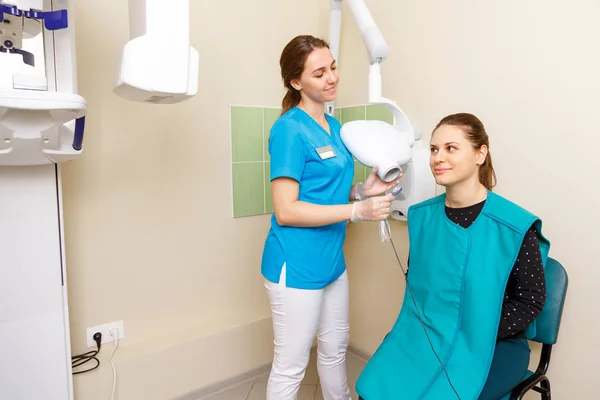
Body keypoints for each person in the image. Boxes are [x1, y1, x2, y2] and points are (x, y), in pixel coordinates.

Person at [356, 113, 550, 400]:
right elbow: (421, 286)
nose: (438, 158)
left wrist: (473, 327)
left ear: (480, 154)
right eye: (434, 149)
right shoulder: (421, 217)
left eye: (451, 148)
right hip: (430, 334)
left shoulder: (513, 226)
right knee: (373, 389)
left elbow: (530, 300)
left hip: (495, 343)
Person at [260, 34, 401, 400]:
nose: (332, 78)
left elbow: (326, 189)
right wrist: (357, 211)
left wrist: (361, 191)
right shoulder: (289, 129)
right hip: (296, 264)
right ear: (296, 82)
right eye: (319, 73)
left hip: (332, 262)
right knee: (291, 366)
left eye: (333, 67)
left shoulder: (334, 127)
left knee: (335, 348)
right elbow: (286, 210)